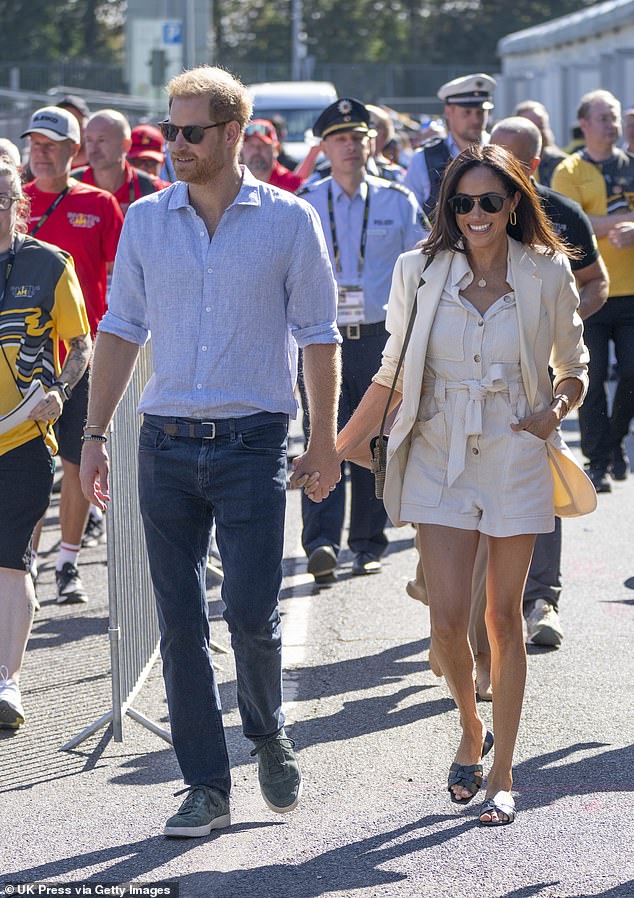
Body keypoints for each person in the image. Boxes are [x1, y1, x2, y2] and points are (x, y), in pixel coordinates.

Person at [79, 65, 341, 838]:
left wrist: (324, 441)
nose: (176, 147)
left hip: (253, 441)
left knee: (253, 613)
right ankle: (206, 784)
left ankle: (267, 729)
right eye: (173, 129)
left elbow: (319, 337)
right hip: (162, 443)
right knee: (178, 620)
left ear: (233, 136)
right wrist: (94, 438)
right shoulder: (147, 221)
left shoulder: (290, 220)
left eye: (192, 133)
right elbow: (120, 329)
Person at [332, 143, 590, 826]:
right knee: (447, 623)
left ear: (513, 204)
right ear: (448, 208)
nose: (475, 214)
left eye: (489, 201)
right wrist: (335, 447)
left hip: (516, 452)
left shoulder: (546, 273)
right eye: (462, 202)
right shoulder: (418, 271)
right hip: (438, 452)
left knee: (504, 620)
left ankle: (503, 772)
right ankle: (470, 727)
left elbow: (575, 366)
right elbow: (390, 371)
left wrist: (554, 411)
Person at [297, 98, 427, 580]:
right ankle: (320, 542)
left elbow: (422, 266)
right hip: (323, 340)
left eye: (358, 137)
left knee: (375, 442)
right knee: (322, 436)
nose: (350, 147)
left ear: (372, 142)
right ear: (325, 147)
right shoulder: (307, 202)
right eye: (340, 139)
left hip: (381, 337)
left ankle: (368, 543)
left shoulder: (398, 200)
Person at [0, 159, 91, 728]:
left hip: (22, 440)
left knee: (10, 561)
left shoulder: (49, 264)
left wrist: (58, 390)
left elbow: (80, 345)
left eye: (4, 197)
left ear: (19, 202)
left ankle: (6, 684)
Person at [22, 105, 124, 603]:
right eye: (34, 143)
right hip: (20, 361)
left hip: (82, 358)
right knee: (27, 464)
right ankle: (25, 568)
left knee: (75, 461)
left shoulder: (100, 204)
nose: (40, 153)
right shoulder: (11, 204)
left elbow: (127, 278)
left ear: (72, 151)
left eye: (51, 144)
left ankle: (66, 563)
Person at [552, 90, 634, 491]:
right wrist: (612, 223)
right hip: (589, 290)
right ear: (584, 124)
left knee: (632, 376)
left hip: (632, 291)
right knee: (593, 376)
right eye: (603, 117)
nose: (612, 125)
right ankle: (598, 462)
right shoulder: (569, 170)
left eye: (615, 117)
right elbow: (574, 222)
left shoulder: (631, 165)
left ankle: (616, 442)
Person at [404, 73, 495, 215]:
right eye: (467, 112)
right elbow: (410, 216)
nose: (475, 120)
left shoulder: (500, 151)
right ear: (448, 111)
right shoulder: (423, 160)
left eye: (481, 112)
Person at [74, 109, 169, 216]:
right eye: (89, 140)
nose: (94, 148)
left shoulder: (154, 190)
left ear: (126, 145)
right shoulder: (68, 187)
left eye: (102, 140)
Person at [240, 118, 303, 192]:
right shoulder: (231, 184)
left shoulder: (294, 186)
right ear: (240, 149)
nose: (256, 150)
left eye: (263, 145)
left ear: (276, 149)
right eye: (251, 145)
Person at [514, 100, 567, 187]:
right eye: (531, 128)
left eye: (541, 127)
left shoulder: (562, 163)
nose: (538, 133)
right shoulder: (508, 164)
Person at [57, 94, 91, 168]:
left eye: (77, 123)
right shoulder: (40, 165)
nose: (71, 129)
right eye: (64, 124)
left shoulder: (101, 166)